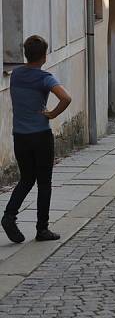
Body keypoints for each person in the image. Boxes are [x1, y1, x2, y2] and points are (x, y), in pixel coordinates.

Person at [1, 35, 72, 244]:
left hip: (20, 136)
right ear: (44, 56)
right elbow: (66, 98)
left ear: (26, 54)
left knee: (26, 179)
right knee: (44, 182)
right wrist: (52, 114)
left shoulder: (15, 75)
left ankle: (9, 215)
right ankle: (42, 229)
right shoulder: (44, 78)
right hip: (40, 136)